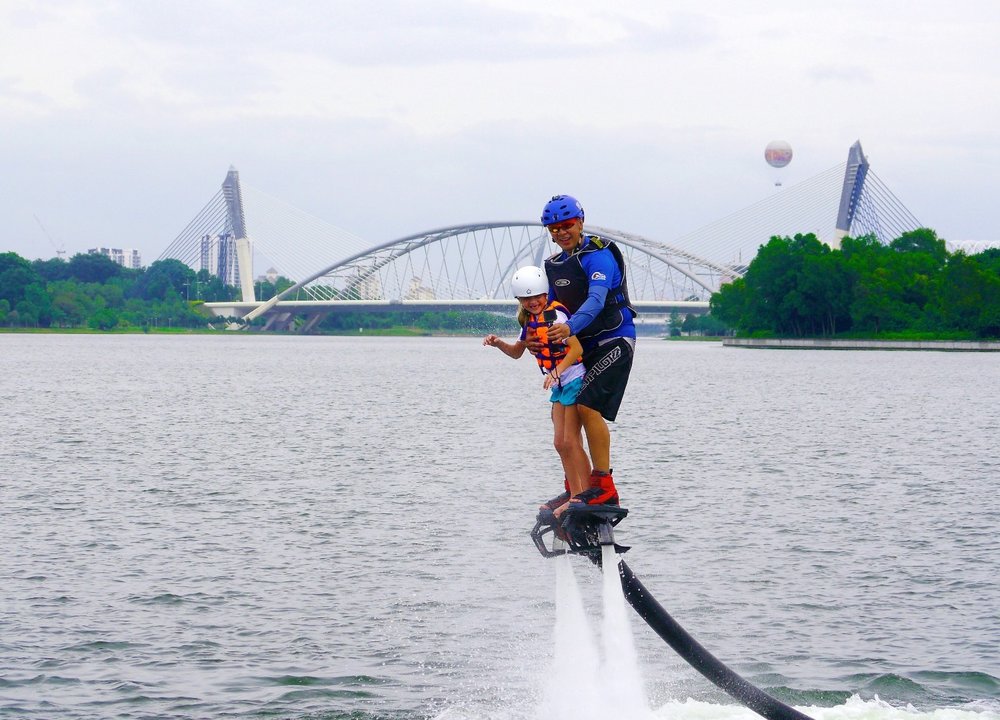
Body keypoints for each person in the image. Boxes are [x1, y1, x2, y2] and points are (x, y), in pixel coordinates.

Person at [534, 194, 636, 512]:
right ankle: (576, 489)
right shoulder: (554, 265)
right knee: (564, 419)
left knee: (587, 406)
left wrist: (570, 327)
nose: (561, 232)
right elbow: (550, 310)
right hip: (582, 348)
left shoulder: (599, 256)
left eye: (567, 225)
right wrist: (543, 337)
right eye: (554, 228)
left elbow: (595, 299)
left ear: (580, 222)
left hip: (614, 340)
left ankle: (604, 486)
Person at [483, 266, 591, 514]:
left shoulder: (557, 317)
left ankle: (582, 495)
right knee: (559, 443)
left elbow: (576, 350)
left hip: (573, 378)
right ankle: (575, 493)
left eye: (537, 297)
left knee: (570, 440)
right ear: (519, 300)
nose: (533, 302)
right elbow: (516, 353)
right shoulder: (529, 322)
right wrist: (498, 343)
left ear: (546, 294)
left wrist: (556, 372)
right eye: (526, 299)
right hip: (559, 386)